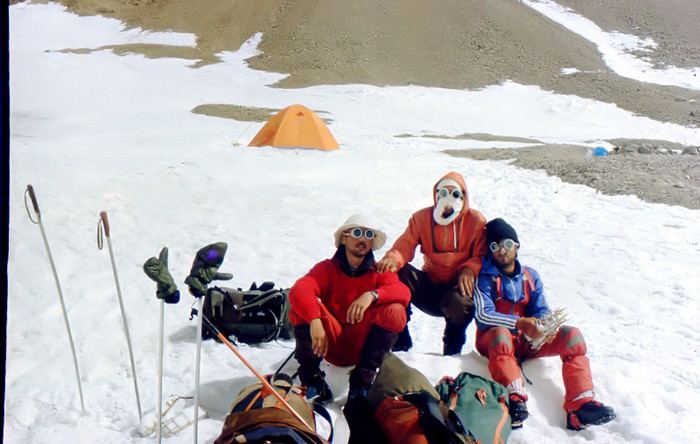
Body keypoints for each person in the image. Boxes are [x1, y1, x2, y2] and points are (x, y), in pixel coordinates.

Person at [473, 218, 615, 430]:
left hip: (526, 341)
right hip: (495, 341)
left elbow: (540, 309)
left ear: (517, 246)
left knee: (572, 336)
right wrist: (519, 323)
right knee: (501, 334)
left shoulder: (530, 276)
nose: (502, 251)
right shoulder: (484, 279)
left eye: (507, 245)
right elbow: (483, 316)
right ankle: (514, 400)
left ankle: (580, 407)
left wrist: (543, 327)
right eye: (495, 246)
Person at [288, 214, 411, 404]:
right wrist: (314, 319)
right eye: (356, 232)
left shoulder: (380, 271)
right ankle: (311, 380)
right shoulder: (326, 268)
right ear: (344, 238)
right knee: (301, 307)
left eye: (368, 234)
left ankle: (361, 382)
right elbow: (300, 289)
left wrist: (372, 295)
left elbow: (402, 292)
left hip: (363, 347)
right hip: (330, 343)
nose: (362, 239)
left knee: (395, 310)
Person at [377, 172, 487, 355]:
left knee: (461, 305)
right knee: (395, 274)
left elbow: (481, 255)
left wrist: (469, 269)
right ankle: (400, 340)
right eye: (443, 193)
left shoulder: (475, 221)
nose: (448, 199)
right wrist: (392, 259)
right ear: (436, 195)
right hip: (429, 286)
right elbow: (404, 245)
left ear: (463, 196)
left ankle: (452, 350)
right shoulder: (421, 219)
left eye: (455, 194)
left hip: (455, 292)